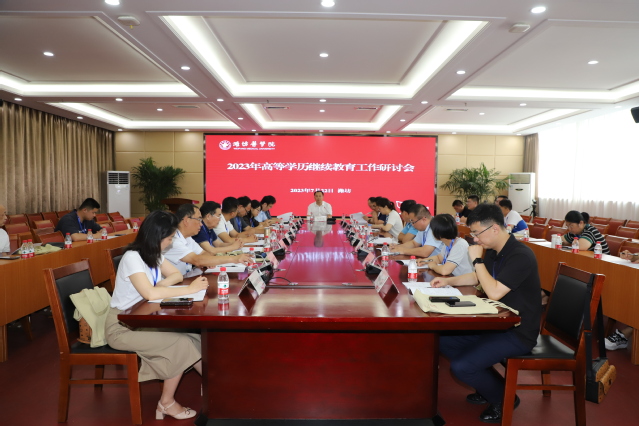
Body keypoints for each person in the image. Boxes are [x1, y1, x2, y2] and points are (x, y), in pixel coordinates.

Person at [431, 203, 541, 423]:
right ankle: (487, 384)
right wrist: (448, 281)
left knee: (462, 367)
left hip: (518, 330)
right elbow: (478, 277)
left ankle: (503, 398)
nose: (474, 239)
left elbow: (494, 291)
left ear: (494, 228)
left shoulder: (520, 255)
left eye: (477, 233)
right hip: (495, 323)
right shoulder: (494, 251)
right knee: (442, 341)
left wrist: (477, 259)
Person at [105, 210, 208, 420]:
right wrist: (188, 290)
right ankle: (166, 403)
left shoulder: (153, 254)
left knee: (196, 339)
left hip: (141, 318)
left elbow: (176, 274)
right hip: (120, 327)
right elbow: (149, 294)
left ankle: (214, 386)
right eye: (169, 238)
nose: (170, 242)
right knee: (181, 344)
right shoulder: (133, 257)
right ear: (156, 237)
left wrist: (162, 284)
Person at [164, 204, 250, 275]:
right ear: (186, 220)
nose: (201, 224)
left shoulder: (187, 237)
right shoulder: (173, 240)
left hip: (186, 279)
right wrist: (234, 259)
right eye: (198, 219)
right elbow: (197, 260)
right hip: (172, 286)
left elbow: (203, 253)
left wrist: (207, 260)